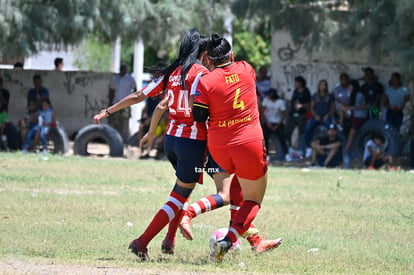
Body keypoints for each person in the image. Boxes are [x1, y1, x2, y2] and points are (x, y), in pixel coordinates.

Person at [94, 29, 209, 261]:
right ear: (202, 52)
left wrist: (107, 111)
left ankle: (170, 240)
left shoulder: (172, 73)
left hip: (171, 142)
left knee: (182, 189)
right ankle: (142, 241)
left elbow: (139, 96)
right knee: (179, 195)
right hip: (192, 143)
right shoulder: (202, 73)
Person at [193, 33, 282, 263]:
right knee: (253, 199)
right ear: (231, 55)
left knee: (236, 189)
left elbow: (199, 115)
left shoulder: (206, 81)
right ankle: (228, 240)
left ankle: (255, 242)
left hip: (219, 147)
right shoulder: (246, 69)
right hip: (248, 143)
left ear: (209, 61)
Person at [303, 79, 335, 157]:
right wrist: (316, 115)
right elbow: (312, 108)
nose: (322, 87)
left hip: (326, 116)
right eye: (321, 85)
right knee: (308, 128)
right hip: (316, 116)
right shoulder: (315, 96)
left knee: (331, 129)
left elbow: (332, 109)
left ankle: (330, 146)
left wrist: (327, 115)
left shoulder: (330, 96)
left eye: (324, 85)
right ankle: (308, 147)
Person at [108, 64, 137, 142]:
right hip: (116, 103)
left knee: (124, 124)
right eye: (121, 69)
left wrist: (132, 101)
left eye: (124, 69)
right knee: (115, 122)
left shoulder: (130, 79)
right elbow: (111, 92)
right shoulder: (115, 79)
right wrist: (110, 104)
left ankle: (124, 141)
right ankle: (115, 141)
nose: (122, 70)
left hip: (126, 105)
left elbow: (135, 91)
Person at [285, 76, 311, 151]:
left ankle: (301, 149)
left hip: (301, 114)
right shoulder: (295, 90)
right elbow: (294, 101)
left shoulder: (306, 91)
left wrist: (302, 105)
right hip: (292, 114)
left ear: (301, 83)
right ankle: (289, 148)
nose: (295, 84)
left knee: (301, 132)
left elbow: (309, 103)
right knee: (287, 130)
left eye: (296, 82)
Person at [342, 80, 368, 156]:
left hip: (359, 116)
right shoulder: (353, 94)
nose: (349, 88)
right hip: (355, 115)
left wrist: (349, 108)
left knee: (352, 133)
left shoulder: (359, 94)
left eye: (350, 86)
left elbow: (362, 107)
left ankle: (346, 150)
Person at [261, 88, 288, 157]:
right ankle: (266, 154)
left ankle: (286, 154)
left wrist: (277, 126)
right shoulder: (266, 100)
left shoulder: (280, 102)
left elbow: (284, 116)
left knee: (282, 137)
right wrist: (267, 122)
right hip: (268, 121)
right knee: (264, 137)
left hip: (278, 122)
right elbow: (263, 112)